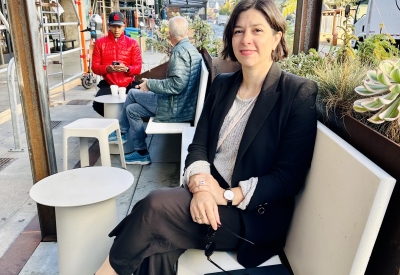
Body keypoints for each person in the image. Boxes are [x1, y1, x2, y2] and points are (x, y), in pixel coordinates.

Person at [95, 0, 318, 274]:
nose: (246, 39)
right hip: (207, 193)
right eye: (238, 31)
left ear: (277, 37)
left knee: (154, 207)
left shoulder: (297, 93)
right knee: (157, 249)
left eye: (257, 30)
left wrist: (223, 195)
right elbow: (198, 145)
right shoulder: (223, 84)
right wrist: (201, 188)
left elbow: (288, 178)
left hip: (250, 215)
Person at [108, 16, 202, 165]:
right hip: (181, 105)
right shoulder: (191, 49)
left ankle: (121, 132)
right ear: (186, 32)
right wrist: (150, 84)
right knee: (132, 109)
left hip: (174, 108)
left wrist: (150, 84)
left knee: (132, 93)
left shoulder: (179, 52)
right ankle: (141, 153)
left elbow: (177, 85)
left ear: (170, 35)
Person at [92, 11, 142, 117]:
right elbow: (95, 67)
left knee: (142, 102)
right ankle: (117, 122)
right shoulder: (100, 43)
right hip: (109, 83)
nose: (116, 30)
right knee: (97, 105)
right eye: (113, 26)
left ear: (124, 25)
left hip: (128, 83)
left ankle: (122, 122)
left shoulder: (132, 43)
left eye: (119, 26)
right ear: (109, 26)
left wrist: (127, 69)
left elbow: (138, 68)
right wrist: (107, 69)